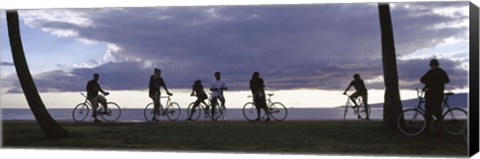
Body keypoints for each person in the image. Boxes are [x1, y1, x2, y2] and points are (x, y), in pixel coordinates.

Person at [420, 59, 449, 132]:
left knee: (428, 111)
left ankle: (428, 128)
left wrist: (430, 82)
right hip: (439, 94)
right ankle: (439, 129)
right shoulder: (441, 72)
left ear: (431, 65)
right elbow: (447, 80)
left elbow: (422, 79)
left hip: (430, 94)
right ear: (438, 64)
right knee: (438, 111)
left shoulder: (431, 72)